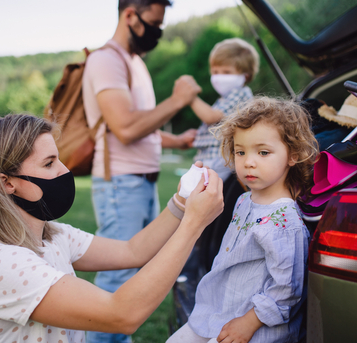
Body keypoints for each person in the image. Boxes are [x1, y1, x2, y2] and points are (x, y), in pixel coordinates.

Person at [0, 114, 223, 343]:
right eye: (49, 163)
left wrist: (181, 203)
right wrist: (193, 225)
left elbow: (133, 251)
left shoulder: (52, 235)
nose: (64, 170)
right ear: (6, 183)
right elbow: (121, 314)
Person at [82, 2, 201, 340]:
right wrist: (177, 100)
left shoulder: (135, 62)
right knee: (116, 278)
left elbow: (142, 124)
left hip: (140, 183)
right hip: (121, 183)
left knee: (132, 273)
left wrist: (176, 140)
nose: (157, 33)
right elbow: (125, 127)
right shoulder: (106, 60)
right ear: (130, 15)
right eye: (154, 23)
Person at [166, 97, 319, 343]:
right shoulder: (244, 200)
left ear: (293, 155)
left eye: (263, 152)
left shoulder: (284, 221)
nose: (248, 161)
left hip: (254, 328)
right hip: (218, 311)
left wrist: (249, 322)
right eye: (240, 151)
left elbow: (287, 289)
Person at [191, 37, 259, 181]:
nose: (219, 77)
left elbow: (211, 117)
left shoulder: (239, 94)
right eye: (215, 72)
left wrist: (190, 97)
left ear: (245, 76)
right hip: (209, 156)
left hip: (217, 158)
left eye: (226, 72)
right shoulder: (226, 97)